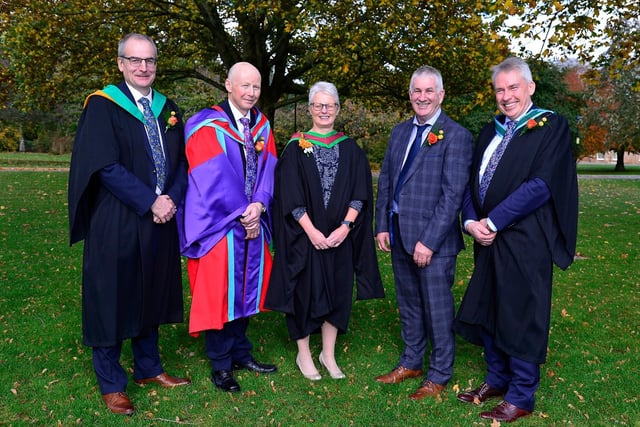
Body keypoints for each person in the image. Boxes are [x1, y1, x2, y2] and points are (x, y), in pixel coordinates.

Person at [68, 33, 190, 415]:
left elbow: (182, 162)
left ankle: (148, 367)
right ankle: (110, 382)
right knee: (111, 295)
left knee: (150, 289)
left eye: (150, 61)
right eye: (134, 60)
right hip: (117, 216)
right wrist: (149, 200)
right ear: (120, 63)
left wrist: (170, 198)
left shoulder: (167, 107)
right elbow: (104, 166)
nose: (143, 67)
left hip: (161, 216)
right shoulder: (103, 106)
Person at [454, 57, 578, 423]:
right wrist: (471, 221)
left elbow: (541, 185)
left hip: (526, 237)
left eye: (513, 88)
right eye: (500, 89)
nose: (506, 96)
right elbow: (470, 182)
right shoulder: (489, 132)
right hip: (487, 238)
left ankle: (522, 394)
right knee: (492, 306)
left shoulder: (550, 126)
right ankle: (497, 378)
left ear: (530, 87)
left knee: (522, 311)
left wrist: (493, 221)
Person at [265, 82, 384, 381]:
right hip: (305, 237)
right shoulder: (296, 146)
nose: (324, 110)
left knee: (339, 291)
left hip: (339, 237)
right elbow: (289, 195)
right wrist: (312, 231)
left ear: (338, 109)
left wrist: (346, 227)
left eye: (329, 105)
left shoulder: (350, 148)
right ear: (309, 109)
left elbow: (360, 192)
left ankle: (327, 353)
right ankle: (304, 352)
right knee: (302, 292)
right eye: (318, 105)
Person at [177, 62, 278, 393]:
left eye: (256, 87)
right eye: (244, 86)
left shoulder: (261, 125)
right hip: (220, 223)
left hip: (252, 219)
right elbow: (211, 175)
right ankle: (220, 364)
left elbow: (269, 168)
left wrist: (259, 204)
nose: (251, 92)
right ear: (228, 85)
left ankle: (241, 353)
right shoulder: (206, 124)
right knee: (220, 292)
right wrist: (242, 212)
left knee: (247, 290)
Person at [374, 66, 473, 400]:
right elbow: (387, 180)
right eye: (417, 91)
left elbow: (452, 195)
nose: (422, 97)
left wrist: (429, 241)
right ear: (410, 94)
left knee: (437, 308)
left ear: (441, 95)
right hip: (399, 233)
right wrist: (382, 225)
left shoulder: (456, 136)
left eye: (429, 91)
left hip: (434, 243)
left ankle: (439, 374)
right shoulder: (400, 132)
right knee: (410, 305)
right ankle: (411, 362)